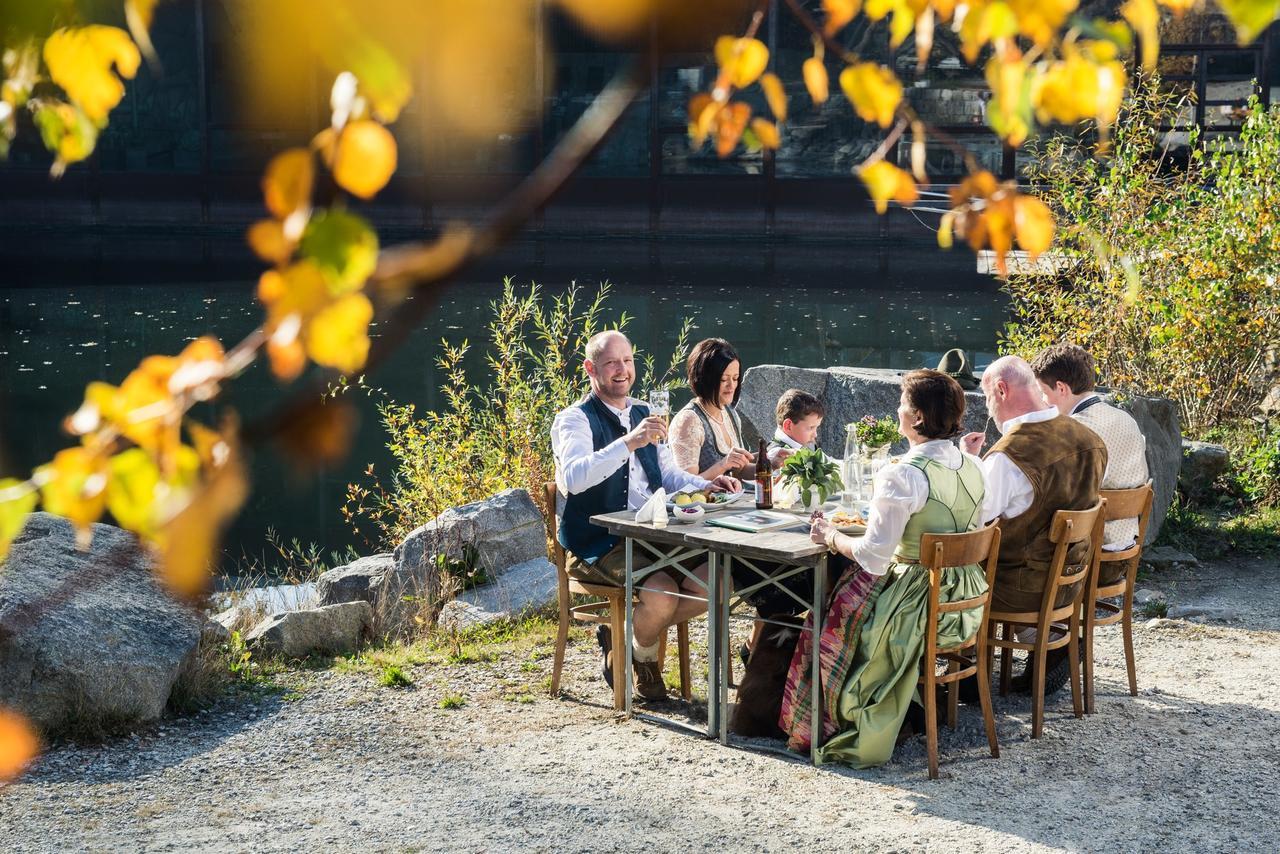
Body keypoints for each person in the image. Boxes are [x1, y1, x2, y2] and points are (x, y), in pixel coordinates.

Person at [777, 370, 988, 766]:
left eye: (903, 404)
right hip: (967, 599)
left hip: (917, 602)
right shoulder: (973, 465)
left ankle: (826, 725)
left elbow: (875, 556)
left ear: (919, 417)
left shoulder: (903, 474)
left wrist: (829, 536)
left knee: (824, 617)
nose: (898, 410)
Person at [552, 330, 740, 701]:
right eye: (611, 363)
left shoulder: (644, 412)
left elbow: (668, 474)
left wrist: (707, 484)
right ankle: (647, 661)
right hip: (596, 540)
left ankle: (627, 642)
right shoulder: (574, 420)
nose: (622, 370)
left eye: (628, 361)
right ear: (591, 369)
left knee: (718, 582)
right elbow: (573, 479)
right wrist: (628, 442)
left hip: (651, 533)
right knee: (663, 593)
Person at [960, 355, 1107, 694]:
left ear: (1001, 390)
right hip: (1071, 581)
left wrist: (969, 463)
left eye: (986, 397)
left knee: (952, 571)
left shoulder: (1009, 456)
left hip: (1020, 587)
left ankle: (965, 676)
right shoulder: (1089, 438)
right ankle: (1053, 641)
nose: (988, 407)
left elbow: (973, 521)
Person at [1031, 343, 1149, 571]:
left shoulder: (1071, 430)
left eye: (1043, 393)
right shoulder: (1126, 419)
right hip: (1124, 551)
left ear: (1061, 388)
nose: (1042, 402)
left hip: (1085, 558)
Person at [669, 338, 755, 480]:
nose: (732, 385)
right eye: (724, 379)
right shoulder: (688, 421)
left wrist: (771, 462)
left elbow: (738, 469)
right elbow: (685, 487)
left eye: (735, 378)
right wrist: (723, 465)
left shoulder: (729, 412)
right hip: (701, 502)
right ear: (705, 378)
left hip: (732, 499)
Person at [766, 388, 824, 468]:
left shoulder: (806, 444)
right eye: (811, 428)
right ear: (788, 426)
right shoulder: (777, 455)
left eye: (816, 428)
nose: (815, 434)